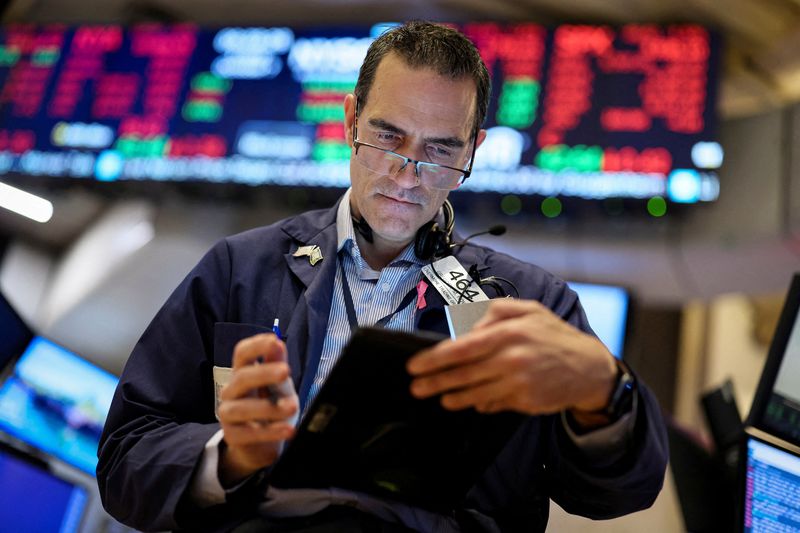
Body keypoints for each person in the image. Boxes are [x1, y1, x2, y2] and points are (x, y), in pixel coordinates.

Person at [97, 21, 668, 533]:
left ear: (474, 152)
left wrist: (606, 394)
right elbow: (125, 460)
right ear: (349, 120)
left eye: (440, 150)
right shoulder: (241, 267)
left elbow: (617, 495)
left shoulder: (533, 304)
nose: (406, 173)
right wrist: (231, 456)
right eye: (387, 136)